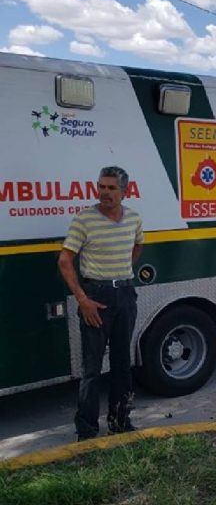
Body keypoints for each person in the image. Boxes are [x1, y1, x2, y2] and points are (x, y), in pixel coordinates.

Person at [58, 166, 144, 441]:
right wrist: (83, 299)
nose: (104, 192)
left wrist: (119, 275)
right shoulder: (84, 219)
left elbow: (137, 246)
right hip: (96, 298)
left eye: (111, 188)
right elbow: (64, 261)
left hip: (125, 295)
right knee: (92, 368)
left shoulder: (133, 218)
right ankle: (87, 431)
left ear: (125, 191)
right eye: (101, 187)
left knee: (122, 363)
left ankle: (120, 423)